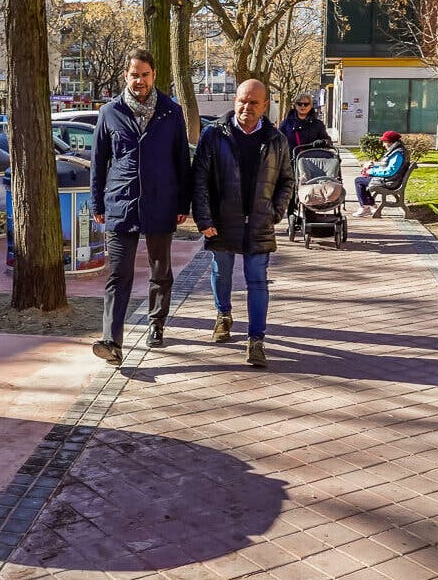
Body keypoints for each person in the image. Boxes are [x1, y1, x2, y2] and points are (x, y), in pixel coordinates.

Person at [90, 48, 192, 365]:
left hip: (162, 203)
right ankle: (112, 341)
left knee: (160, 271)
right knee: (118, 275)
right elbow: (98, 162)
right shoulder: (110, 112)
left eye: (145, 75)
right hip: (121, 203)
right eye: (135, 74)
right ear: (126, 75)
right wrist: (97, 201)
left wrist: (183, 202)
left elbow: (181, 161)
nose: (140, 81)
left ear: (154, 75)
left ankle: (156, 323)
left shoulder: (171, 112)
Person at [192, 79, 294, 369]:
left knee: (257, 280)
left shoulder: (277, 140)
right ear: (234, 101)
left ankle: (256, 340)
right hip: (222, 220)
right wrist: (204, 218)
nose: (246, 108)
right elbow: (199, 179)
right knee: (221, 272)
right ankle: (223, 314)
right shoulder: (214, 135)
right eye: (242, 101)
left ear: (265, 106)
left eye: (253, 103)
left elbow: (287, 180)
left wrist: (275, 211)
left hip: (260, 221)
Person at [353, 130, 406, 218]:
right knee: (363, 179)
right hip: (390, 179)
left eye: (384, 142)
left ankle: (365, 207)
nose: (383, 144)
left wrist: (371, 171)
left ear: (390, 142)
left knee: (359, 181)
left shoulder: (397, 154)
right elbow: (387, 167)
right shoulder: (396, 151)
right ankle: (370, 205)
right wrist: (373, 168)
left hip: (390, 182)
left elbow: (390, 171)